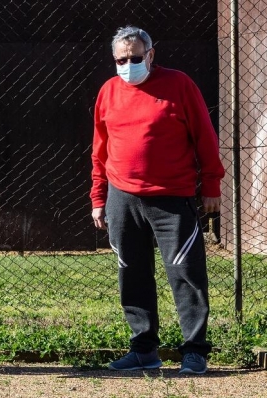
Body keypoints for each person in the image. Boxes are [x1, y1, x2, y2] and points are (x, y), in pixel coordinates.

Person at [90, 26, 225, 375]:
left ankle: (194, 350)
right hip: (122, 197)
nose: (129, 64)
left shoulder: (179, 84)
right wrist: (98, 196)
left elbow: (205, 137)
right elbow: (99, 149)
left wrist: (212, 184)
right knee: (131, 272)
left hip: (172, 198)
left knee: (185, 272)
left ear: (151, 54)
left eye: (136, 57)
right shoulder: (108, 91)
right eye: (122, 59)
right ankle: (144, 349)